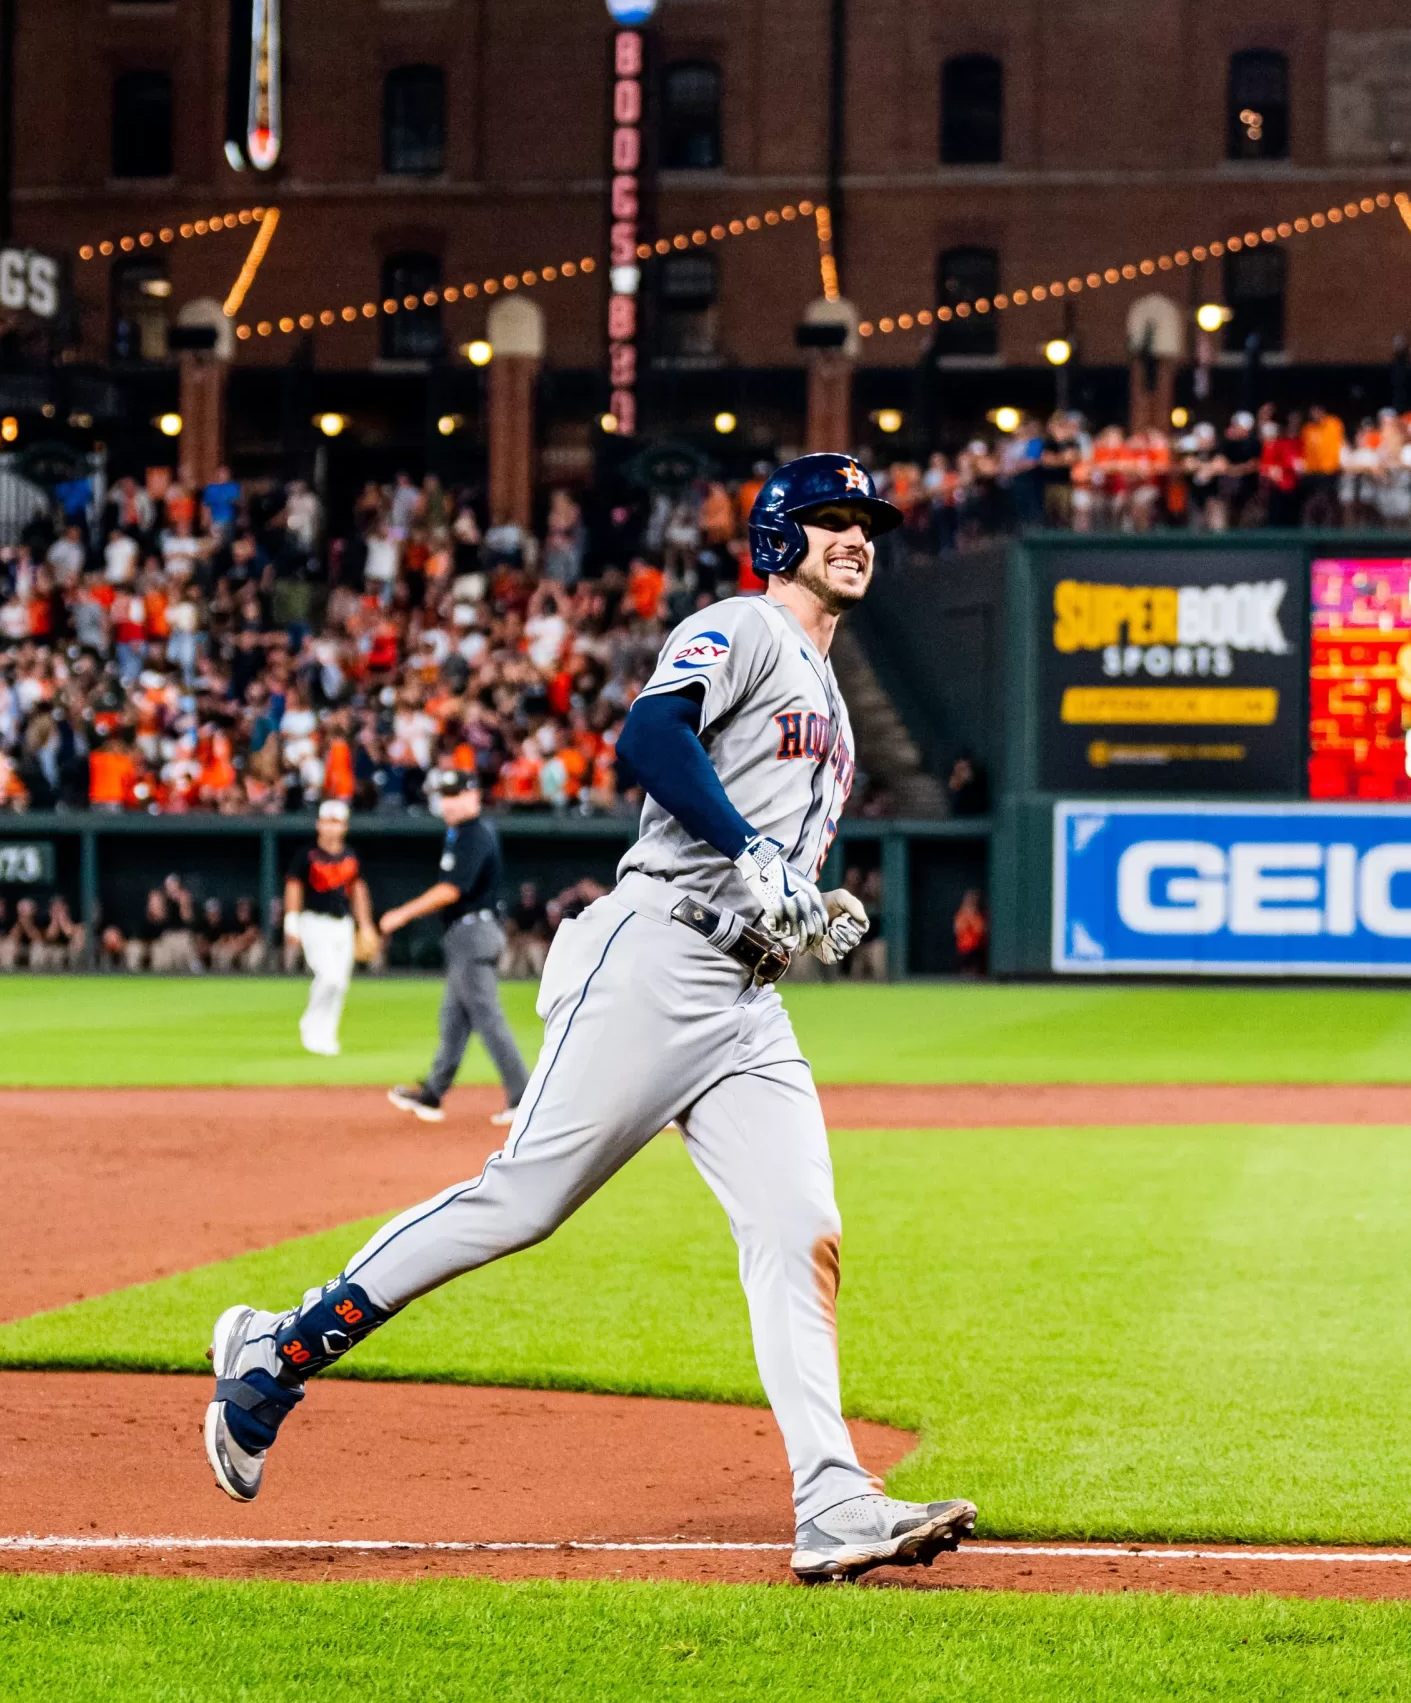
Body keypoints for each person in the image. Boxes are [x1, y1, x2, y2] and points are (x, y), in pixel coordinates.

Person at [202, 453, 973, 1587]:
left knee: (799, 1227)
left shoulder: (833, 699)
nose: (856, 537)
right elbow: (650, 741)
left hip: (746, 998)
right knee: (524, 1200)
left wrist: (799, 900)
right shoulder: (745, 628)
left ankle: (833, 1502)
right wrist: (752, 852)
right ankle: (280, 1347)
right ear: (777, 540)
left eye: (867, 522)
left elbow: (763, 834)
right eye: (830, 521)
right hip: (655, 956)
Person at [380, 770, 529, 1126]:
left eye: (453, 794)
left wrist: (402, 914)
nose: (446, 802)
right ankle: (432, 1094)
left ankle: (523, 1096)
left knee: (487, 1018)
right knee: (454, 1019)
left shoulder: (473, 834)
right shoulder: (464, 833)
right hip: (469, 934)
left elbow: (451, 890)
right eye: (443, 795)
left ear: (472, 796)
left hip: (474, 931)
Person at [283, 799, 373, 1055]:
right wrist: (292, 923)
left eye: (338, 822)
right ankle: (311, 1025)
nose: (333, 827)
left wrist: (365, 924)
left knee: (341, 983)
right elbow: (294, 887)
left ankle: (328, 1034)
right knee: (329, 977)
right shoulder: (307, 855)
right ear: (319, 824)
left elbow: (358, 890)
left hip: (342, 924)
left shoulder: (350, 856)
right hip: (314, 922)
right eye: (328, 821)